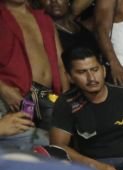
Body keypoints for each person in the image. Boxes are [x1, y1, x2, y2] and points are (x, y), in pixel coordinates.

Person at [0, 0, 68, 152]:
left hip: (47, 97)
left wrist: (66, 99)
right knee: (30, 145)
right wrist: (3, 89)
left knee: (56, 147)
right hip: (15, 98)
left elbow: (61, 62)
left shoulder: (43, 17)